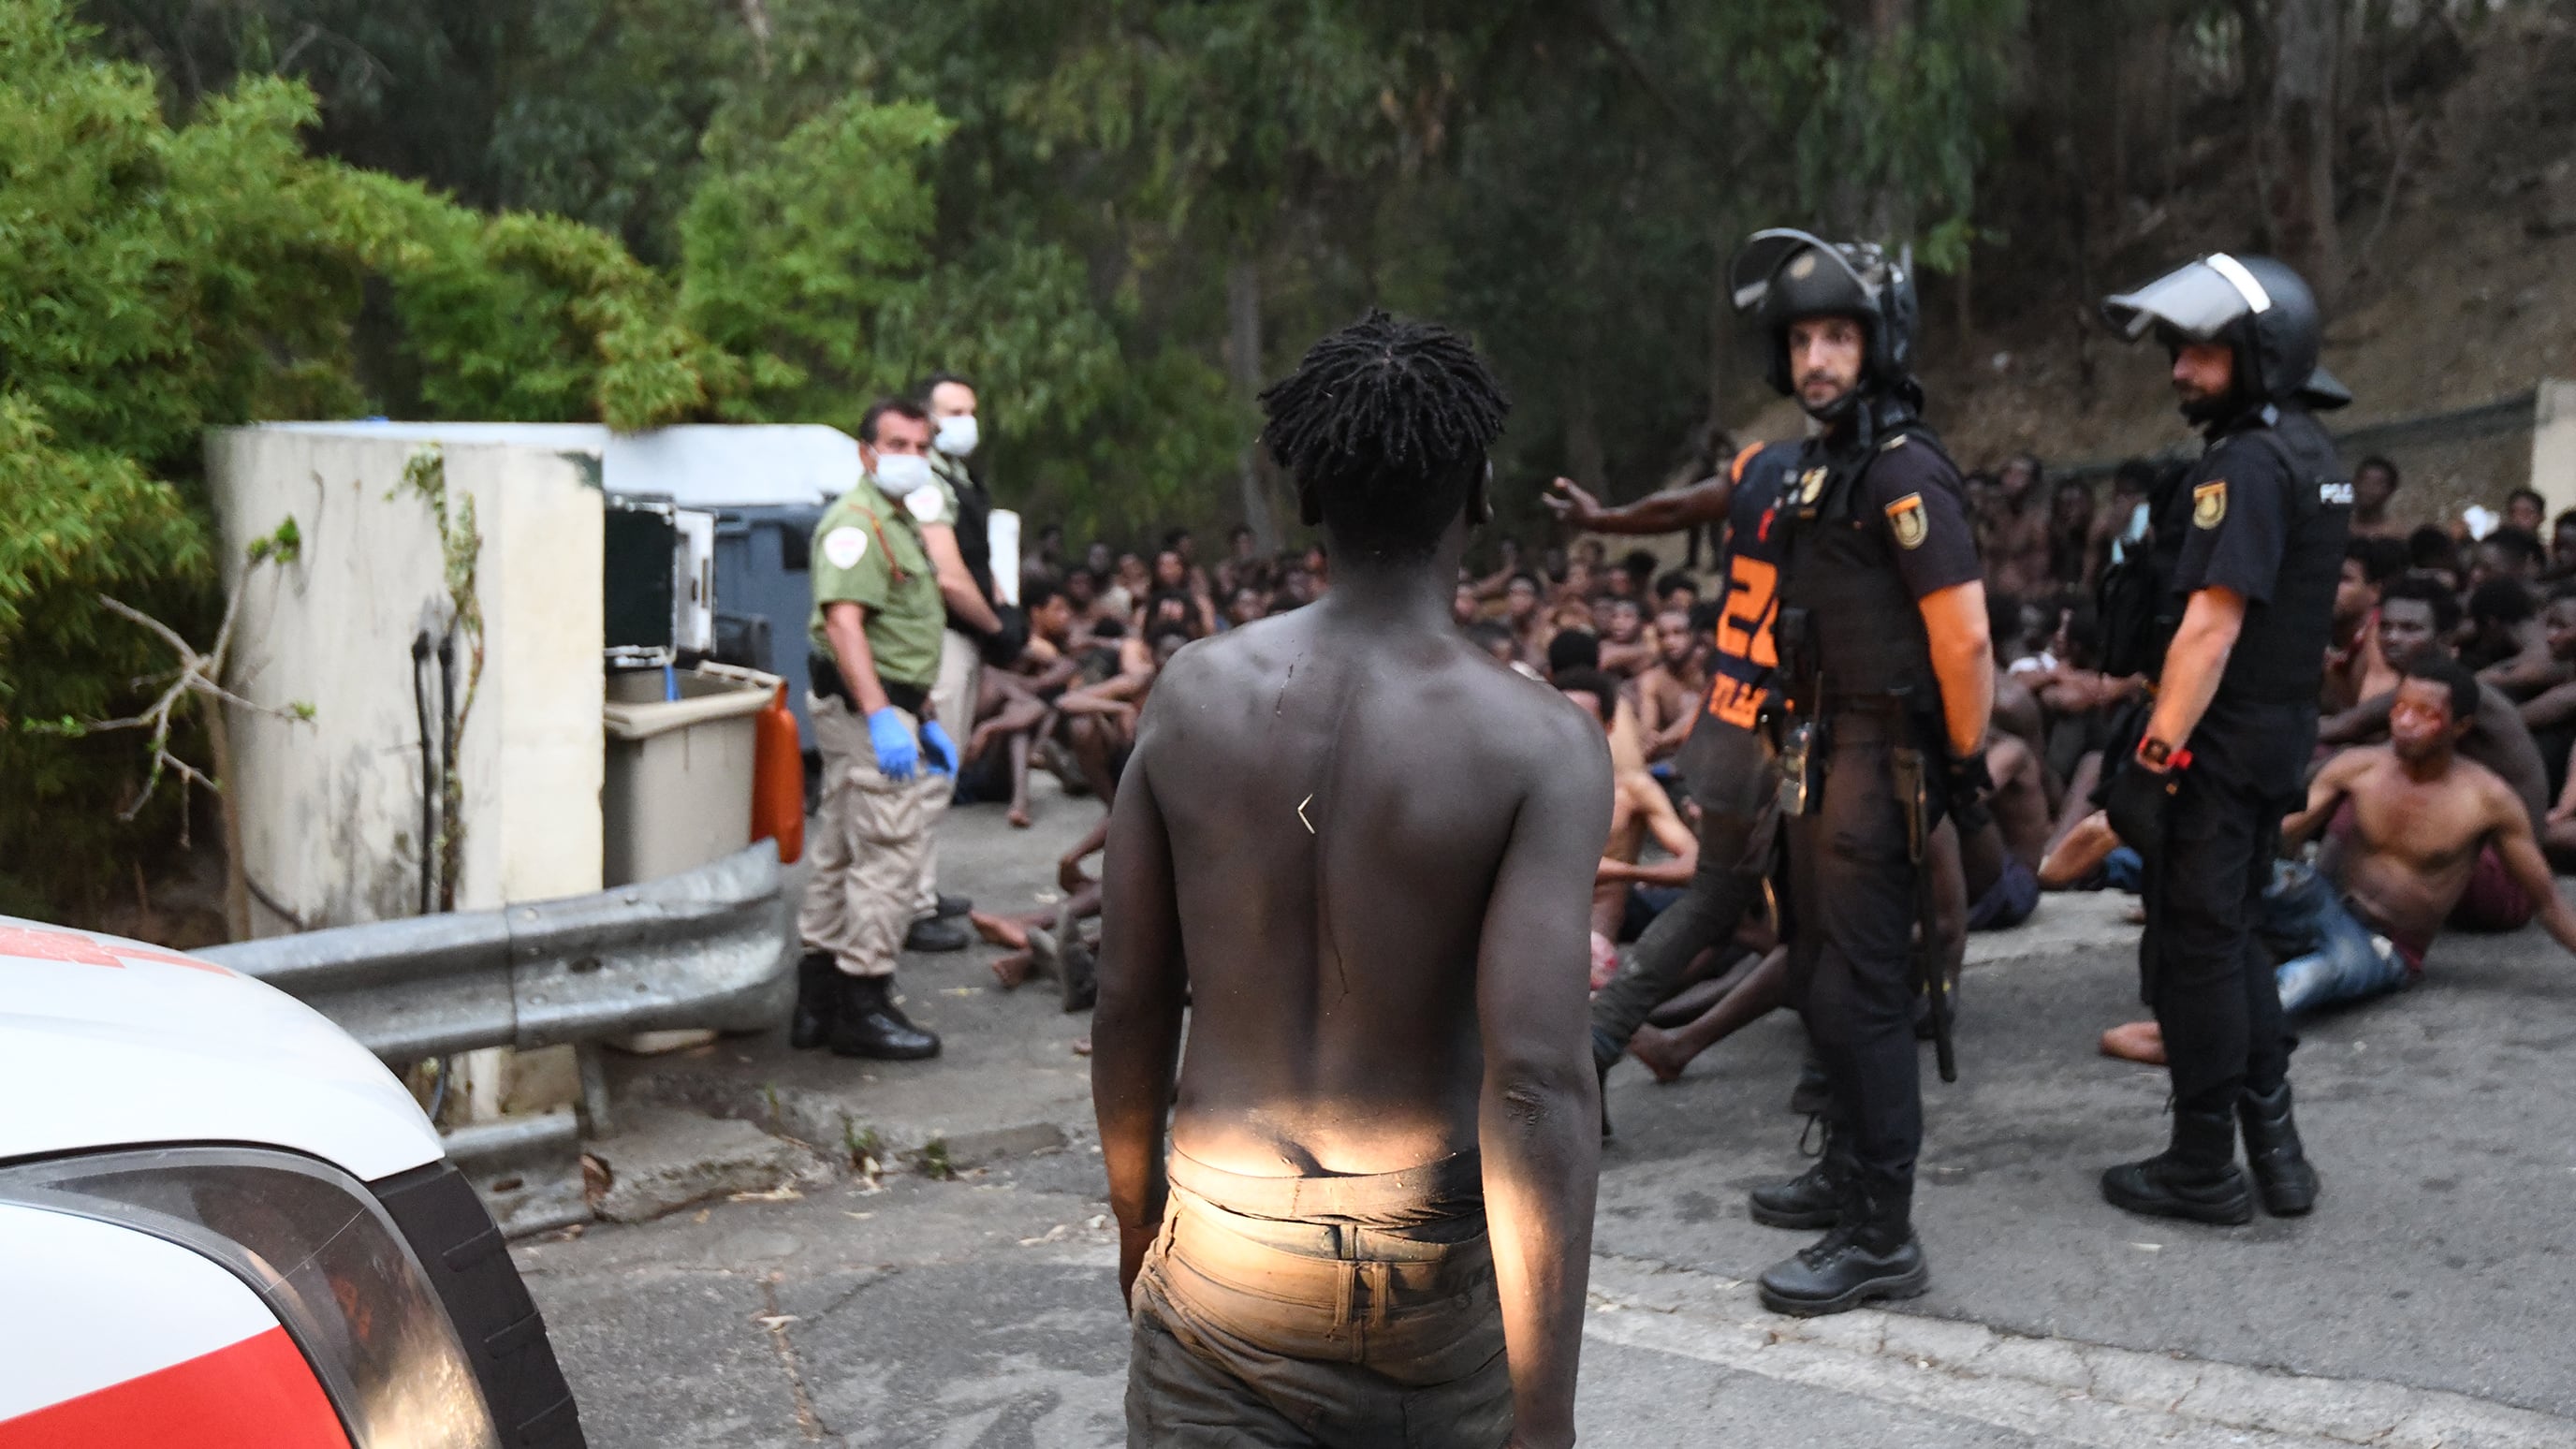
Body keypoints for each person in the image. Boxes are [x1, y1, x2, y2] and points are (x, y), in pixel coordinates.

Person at [1094, 312, 1607, 1449]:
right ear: (1478, 491)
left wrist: (1137, 1230)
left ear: (1309, 495)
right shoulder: (1538, 743)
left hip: (1219, 1260)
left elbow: (1127, 999)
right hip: (1427, 1287)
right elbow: (1534, 1086)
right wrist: (1546, 1420)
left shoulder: (1188, 695)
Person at [1727, 228, 1993, 1316]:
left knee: (1868, 997)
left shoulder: (1902, 466)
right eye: (1801, 340)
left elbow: (1965, 639)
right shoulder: (1823, 466)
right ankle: (1845, 1175)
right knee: (1825, 982)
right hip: (1819, 755)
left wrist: (1962, 767)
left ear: (1877, 343)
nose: (1816, 360)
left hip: (1878, 766)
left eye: (1837, 335)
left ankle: (1882, 1236)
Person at [2092, 251, 2351, 1224]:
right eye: (2176, 350)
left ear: (2261, 351)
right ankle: (2275, 1152)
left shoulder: (2244, 461)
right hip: (2273, 741)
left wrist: (2154, 760)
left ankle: (2202, 1163)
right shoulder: (2311, 453)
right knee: (2235, 934)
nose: (2178, 371)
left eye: (2201, 352)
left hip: (2216, 741)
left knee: (2195, 948)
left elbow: (2211, 625)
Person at [2101, 657, 2576, 1063]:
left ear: (2460, 727)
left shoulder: (2487, 800)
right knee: (2234, 866)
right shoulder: (2360, 767)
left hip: (2383, 947)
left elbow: (2548, 901)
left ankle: (2198, 1042)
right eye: (2400, 709)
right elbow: (2277, 836)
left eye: (2425, 715)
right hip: (2321, 901)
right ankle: (2113, 866)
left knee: (2311, 976)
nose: (2404, 722)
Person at [787, 399, 959, 1061]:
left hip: (884, 706)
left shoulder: (895, 519)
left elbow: (898, 630)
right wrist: (885, 715)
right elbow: (845, 624)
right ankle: (864, 999)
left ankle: (819, 1000)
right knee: (888, 852)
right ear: (866, 452)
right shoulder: (858, 523)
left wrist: (925, 716)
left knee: (841, 845)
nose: (911, 458)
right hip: (867, 711)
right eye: (897, 444)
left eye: (921, 446)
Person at [900, 373, 1009, 952]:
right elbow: (946, 573)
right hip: (936, 638)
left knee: (942, 771)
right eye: (952, 410)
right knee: (927, 773)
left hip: (962, 637)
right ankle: (910, 904)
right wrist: (997, 625)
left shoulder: (960, 478)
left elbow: (975, 556)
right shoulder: (925, 484)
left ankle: (922, 888)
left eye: (971, 409)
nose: (965, 420)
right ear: (929, 417)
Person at [2349, 456, 2404, 539]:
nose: (2367, 489)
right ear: (2354, 484)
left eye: (2376, 484)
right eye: (2363, 481)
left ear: (2390, 490)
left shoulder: (2395, 534)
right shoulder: (2341, 528)